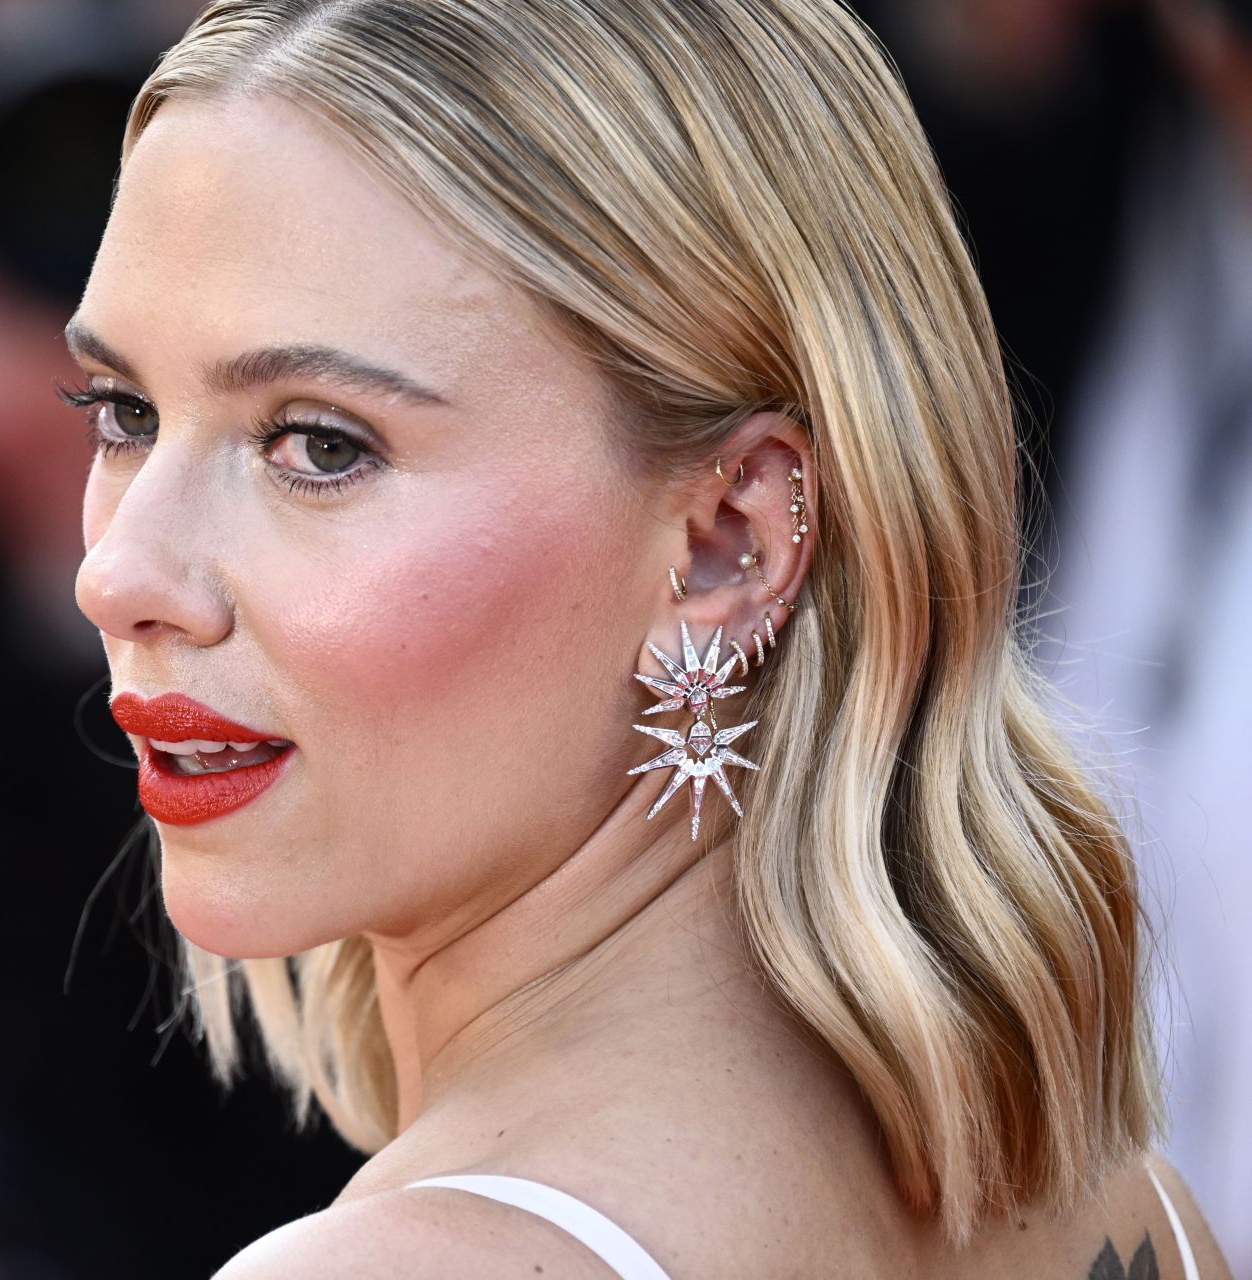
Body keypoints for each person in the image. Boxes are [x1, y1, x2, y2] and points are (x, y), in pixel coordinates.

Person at [61, 0, 1236, 1276]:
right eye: (122, 411)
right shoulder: (1126, 1204)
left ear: (729, 539)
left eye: (320, 446)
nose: (118, 572)